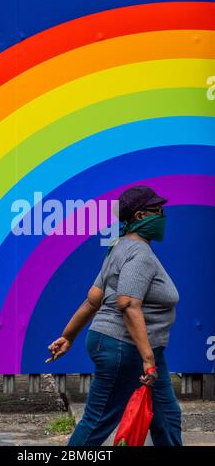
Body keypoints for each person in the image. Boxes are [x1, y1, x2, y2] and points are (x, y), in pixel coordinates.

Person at [45, 185, 183, 446]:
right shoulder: (139, 254)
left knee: (166, 416)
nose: (163, 215)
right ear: (141, 217)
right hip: (127, 347)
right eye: (158, 210)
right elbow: (128, 303)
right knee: (98, 420)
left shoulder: (117, 249)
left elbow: (93, 299)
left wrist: (67, 336)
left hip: (134, 346)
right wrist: (147, 359)